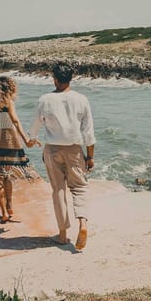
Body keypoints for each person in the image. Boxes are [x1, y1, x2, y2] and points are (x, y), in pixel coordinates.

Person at [27, 63, 95, 250]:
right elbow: (89, 133)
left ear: (54, 79)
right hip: (74, 149)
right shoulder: (81, 99)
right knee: (79, 188)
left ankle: (63, 235)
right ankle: (83, 224)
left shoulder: (45, 100)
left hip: (53, 150)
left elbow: (34, 128)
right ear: (71, 79)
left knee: (58, 190)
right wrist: (90, 157)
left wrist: (32, 139)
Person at [0, 76, 39, 223]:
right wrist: (26, 140)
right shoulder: (9, 103)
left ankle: (3, 213)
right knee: (7, 175)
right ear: (10, 89)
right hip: (9, 142)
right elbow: (15, 121)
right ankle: (9, 205)